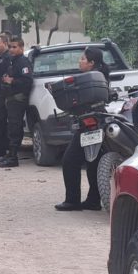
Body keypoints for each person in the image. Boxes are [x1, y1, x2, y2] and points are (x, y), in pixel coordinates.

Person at [55, 47, 110, 211]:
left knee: (70, 160)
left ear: (92, 63)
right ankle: (93, 200)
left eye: (83, 59)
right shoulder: (100, 77)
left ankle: (72, 200)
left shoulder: (88, 79)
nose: (80, 61)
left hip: (89, 123)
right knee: (93, 162)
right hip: (97, 120)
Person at [0, 37, 33, 168]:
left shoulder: (23, 62)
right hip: (11, 98)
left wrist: (12, 81)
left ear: (21, 48)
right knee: (11, 126)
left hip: (18, 99)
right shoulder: (13, 61)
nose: (11, 49)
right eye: (10, 47)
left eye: (14, 47)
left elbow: (27, 81)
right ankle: (10, 154)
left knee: (15, 127)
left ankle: (13, 157)